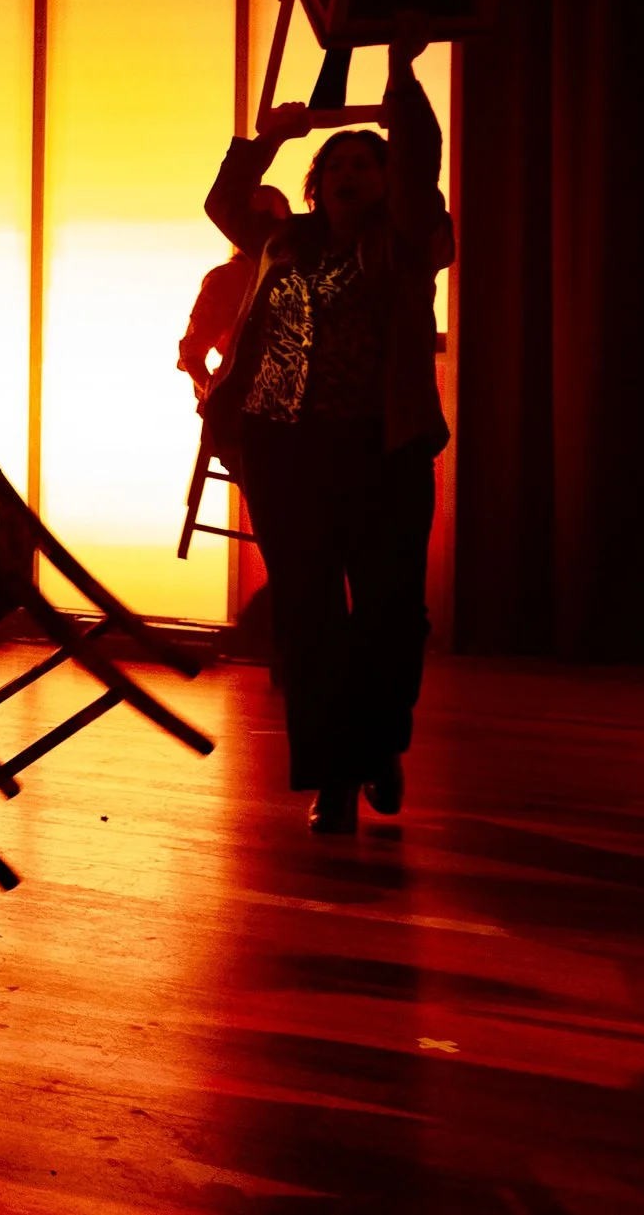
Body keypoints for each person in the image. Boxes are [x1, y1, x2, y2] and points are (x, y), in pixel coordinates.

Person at [202, 44, 455, 836]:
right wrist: (272, 137)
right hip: (286, 452)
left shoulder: (413, 241)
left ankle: (379, 746)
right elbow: (224, 201)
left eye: (365, 165)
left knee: (388, 614)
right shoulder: (286, 241)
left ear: (387, 183)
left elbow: (419, 169)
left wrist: (404, 79)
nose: (349, 176)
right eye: (335, 166)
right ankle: (334, 778)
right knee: (308, 617)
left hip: (384, 452)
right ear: (315, 187)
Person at [180, 186, 292, 401]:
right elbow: (192, 350)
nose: (261, 228)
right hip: (241, 403)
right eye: (254, 219)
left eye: (269, 219)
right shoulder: (226, 279)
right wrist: (212, 394)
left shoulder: (303, 272)